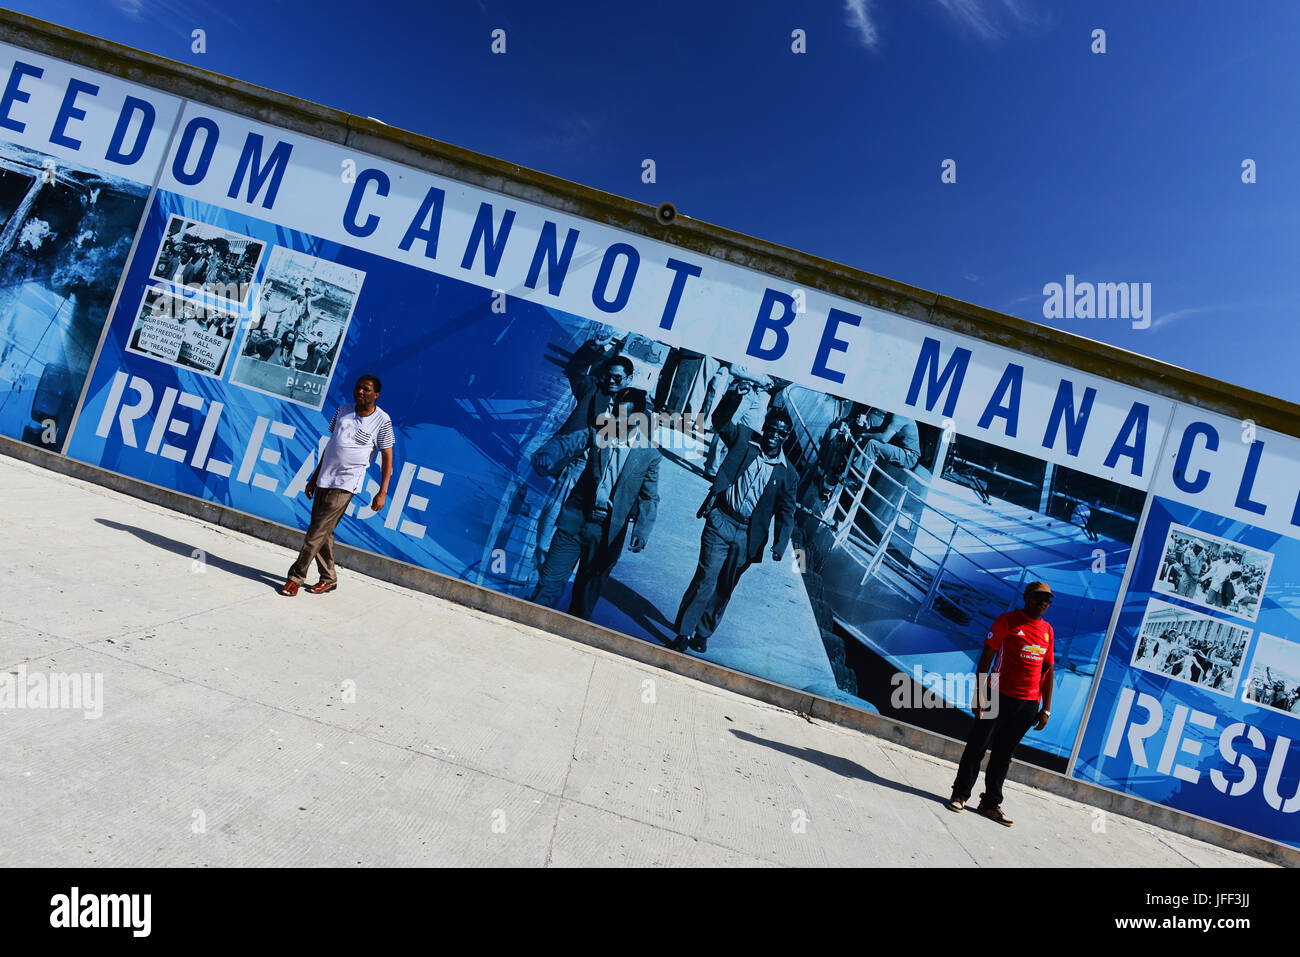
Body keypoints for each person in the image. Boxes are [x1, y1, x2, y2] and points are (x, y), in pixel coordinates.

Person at [669, 407, 797, 654]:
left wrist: (780, 544)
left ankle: (703, 633)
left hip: (748, 535)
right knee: (706, 577)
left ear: (786, 435)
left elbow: (786, 512)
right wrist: (734, 397)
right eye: (770, 429)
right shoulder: (744, 440)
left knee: (725, 586)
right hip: (721, 520)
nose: (773, 435)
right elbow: (720, 420)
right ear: (764, 428)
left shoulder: (789, 474)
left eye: (780, 432)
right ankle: (684, 633)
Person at [530, 388, 660, 620]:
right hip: (575, 522)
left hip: (607, 535)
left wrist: (642, 529)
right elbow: (570, 441)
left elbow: (649, 496)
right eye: (615, 414)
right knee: (547, 585)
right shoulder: (600, 431)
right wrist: (549, 452)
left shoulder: (649, 454)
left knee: (583, 601)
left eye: (624, 417)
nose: (617, 421)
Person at [947, 581, 1055, 826]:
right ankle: (960, 794)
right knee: (977, 746)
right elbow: (986, 659)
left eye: (1047, 599)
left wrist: (1045, 708)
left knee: (1004, 755)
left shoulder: (1048, 630)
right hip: (997, 695)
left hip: (1027, 705)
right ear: (1027, 598)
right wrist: (980, 695)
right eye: (1039, 597)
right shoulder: (1007, 621)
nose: (1043, 602)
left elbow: (1048, 671)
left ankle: (990, 803)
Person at [281, 375, 394, 596]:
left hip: (347, 482)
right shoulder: (342, 411)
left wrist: (383, 491)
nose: (361, 392)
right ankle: (329, 578)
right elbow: (331, 446)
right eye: (358, 387)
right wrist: (314, 477)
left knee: (316, 531)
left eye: (367, 389)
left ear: (376, 395)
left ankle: (295, 577)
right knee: (324, 531)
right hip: (325, 477)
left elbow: (388, 458)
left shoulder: (382, 421)